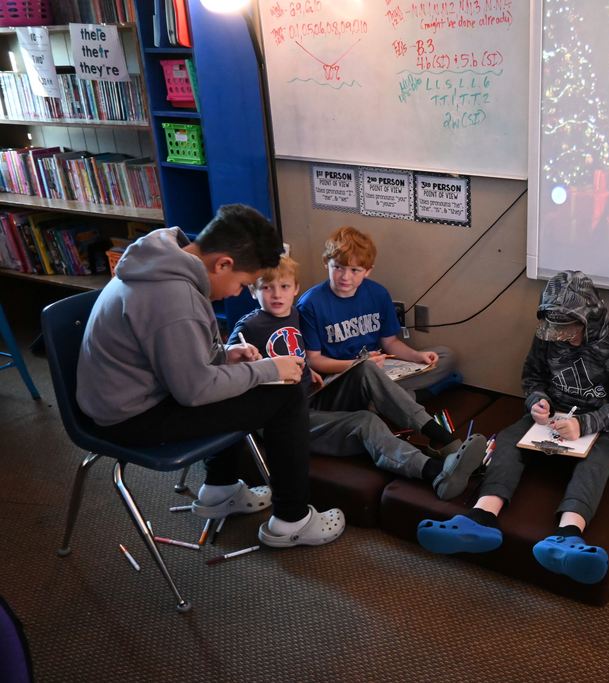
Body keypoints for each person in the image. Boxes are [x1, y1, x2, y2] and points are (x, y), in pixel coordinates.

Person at [76, 204, 344, 548]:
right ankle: (291, 521)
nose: (236, 293)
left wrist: (224, 355)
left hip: (129, 393)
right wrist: (267, 369)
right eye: (242, 284)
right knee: (286, 395)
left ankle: (220, 489)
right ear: (223, 264)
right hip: (129, 418)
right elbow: (196, 390)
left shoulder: (164, 253)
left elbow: (175, 354)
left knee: (239, 378)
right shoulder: (174, 298)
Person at [416, 270, 609, 584]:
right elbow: (533, 377)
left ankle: (568, 536)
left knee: (597, 462)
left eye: (569, 328)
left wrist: (584, 423)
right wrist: (537, 401)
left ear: (588, 318)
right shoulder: (547, 333)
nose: (561, 336)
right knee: (509, 441)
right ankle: (479, 518)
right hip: (550, 417)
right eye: (556, 328)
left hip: (600, 423)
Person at [229, 255, 485, 499]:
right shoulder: (248, 327)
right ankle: (436, 473)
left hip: (311, 397)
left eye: (283, 286)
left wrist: (309, 370)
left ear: (295, 288)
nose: (276, 294)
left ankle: (442, 437)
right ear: (253, 291)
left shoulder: (296, 314)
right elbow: (225, 362)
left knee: (365, 368)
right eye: (266, 288)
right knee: (366, 421)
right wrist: (237, 354)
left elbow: (298, 352)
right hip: (284, 419)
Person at [297, 226, 458, 396]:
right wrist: (359, 365)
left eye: (354, 270)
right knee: (373, 393)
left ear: (367, 271)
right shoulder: (310, 303)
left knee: (446, 356)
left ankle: (393, 397)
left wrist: (417, 356)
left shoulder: (378, 293)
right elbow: (314, 360)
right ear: (326, 263)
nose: (345, 277)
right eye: (338, 267)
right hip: (342, 374)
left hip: (380, 367)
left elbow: (390, 343)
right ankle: (406, 397)